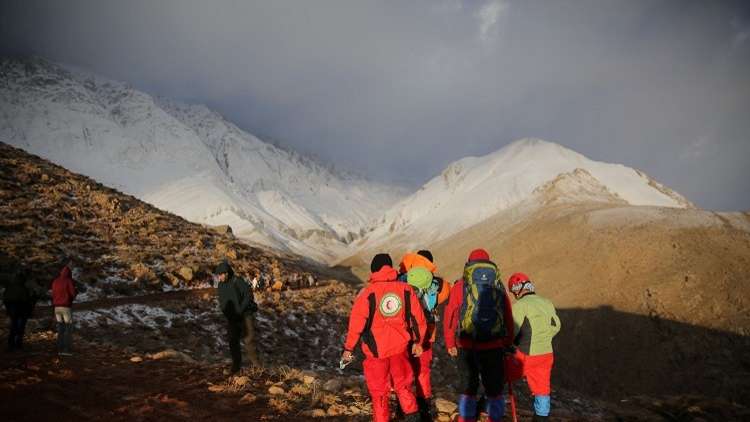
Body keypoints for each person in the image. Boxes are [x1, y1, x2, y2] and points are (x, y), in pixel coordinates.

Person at [341, 253, 427, 422]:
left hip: (376, 353)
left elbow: (356, 325)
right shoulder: (406, 290)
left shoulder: (367, 293)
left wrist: (349, 348)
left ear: (374, 271)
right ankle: (413, 418)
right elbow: (418, 319)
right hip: (400, 349)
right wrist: (418, 342)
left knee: (379, 393)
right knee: (404, 387)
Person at [443, 249, 514, 422]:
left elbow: (450, 315)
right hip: (494, 345)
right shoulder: (498, 286)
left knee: (468, 386)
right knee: (494, 388)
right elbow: (508, 316)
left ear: (469, 264)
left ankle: (466, 419)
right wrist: (507, 341)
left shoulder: (461, 285)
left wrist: (450, 342)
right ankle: (494, 418)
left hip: (467, 345)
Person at [398, 250, 451, 421]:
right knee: (423, 371)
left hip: (405, 334)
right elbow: (446, 291)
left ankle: (403, 407)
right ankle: (425, 406)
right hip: (426, 335)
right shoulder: (436, 285)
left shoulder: (402, 281)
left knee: (404, 371)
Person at [506, 272, 561, 422]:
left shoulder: (521, 305)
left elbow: (512, 330)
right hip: (546, 354)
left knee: (499, 377)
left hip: (526, 354)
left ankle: (483, 407)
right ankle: (541, 418)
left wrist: (510, 344)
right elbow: (556, 325)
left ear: (517, 289)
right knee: (542, 390)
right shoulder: (546, 302)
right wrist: (543, 337)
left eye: (513, 291)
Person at [215, 261, 260, 373]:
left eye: (220, 275)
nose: (219, 277)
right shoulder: (220, 285)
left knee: (248, 340)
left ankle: (258, 367)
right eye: (218, 275)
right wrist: (226, 312)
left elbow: (248, 295)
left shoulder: (237, 281)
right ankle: (236, 367)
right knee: (232, 341)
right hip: (232, 318)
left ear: (226, 273)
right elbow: (222, 300)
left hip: (245, 315)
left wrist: (240, 308)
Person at [2, 264, 43, 352]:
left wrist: (8, 309)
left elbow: (5, 298)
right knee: (20, 328)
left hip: (12, 311)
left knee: (13, 326)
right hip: (21, 312)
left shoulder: (10, 287)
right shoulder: (23, 288)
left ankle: (11, 344)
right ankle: (18, 344)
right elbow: (26, 301)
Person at [51, 260, 77, 356]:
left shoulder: (55, 281)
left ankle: (59, 348)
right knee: (68, 329)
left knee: (60, 328)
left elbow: (53, 294)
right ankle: (66, 350)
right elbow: (73, 294)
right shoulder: (68, 281)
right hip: (66, 307)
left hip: (56, 308)